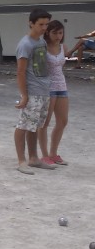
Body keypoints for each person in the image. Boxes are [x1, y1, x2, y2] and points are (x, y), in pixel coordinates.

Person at [13, 9, 54, 175]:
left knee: (34, 126)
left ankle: (34, 158)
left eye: (46, 24)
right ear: (31, 23)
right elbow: (20, 72)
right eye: (41, 24)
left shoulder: (41, 42)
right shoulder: (25, 44)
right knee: (23, 125)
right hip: (32, 92)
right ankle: (21, 161)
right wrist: (24, 95)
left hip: (44, 90)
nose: (44, 28)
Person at [38, 20, 69, 167]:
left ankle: (53, 153)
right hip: (47, 88)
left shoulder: (63, 47)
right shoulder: (42, 47)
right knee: (45, 122)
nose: (58, 36)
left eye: (60, 33)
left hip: (62, 86)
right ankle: (44, 155)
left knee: (63, 121)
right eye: (54, 33)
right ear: (47, 33)